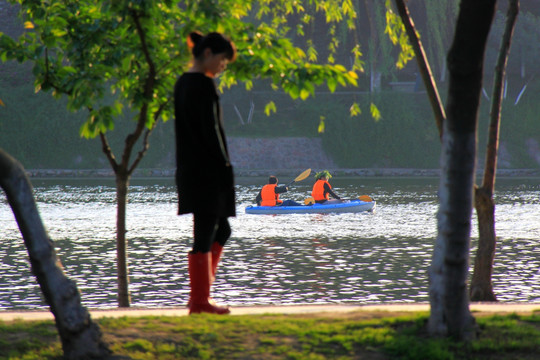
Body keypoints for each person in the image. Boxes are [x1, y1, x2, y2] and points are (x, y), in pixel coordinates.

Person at [174, 31, 236, 315]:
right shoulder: (202, 84)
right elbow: (211, 131)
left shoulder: (183, 83)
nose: (223, 66)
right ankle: (199, 302)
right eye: (223, 60)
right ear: (209, 53)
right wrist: (223, 164)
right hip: (208, 170)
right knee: (205, 233)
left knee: (220, 229)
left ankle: (200, 298)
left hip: (192, 168)